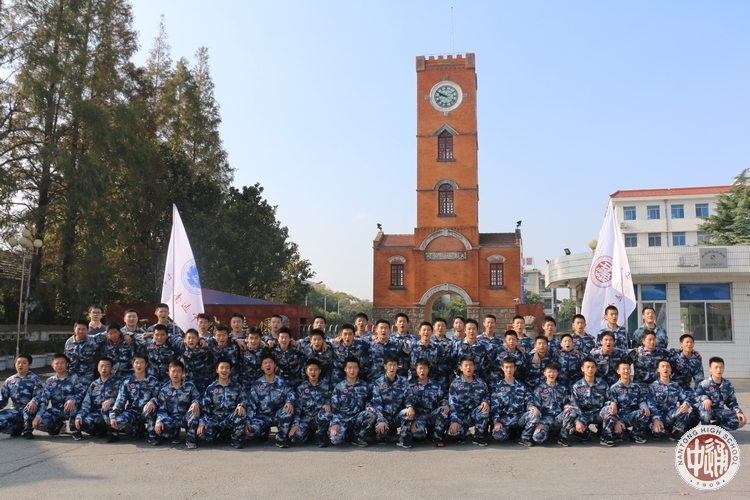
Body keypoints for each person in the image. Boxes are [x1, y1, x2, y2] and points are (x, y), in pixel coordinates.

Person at [246, 352, 296, 448]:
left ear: (275, 366)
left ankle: (281, 438)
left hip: (277, 415)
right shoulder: (257, 384)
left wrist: (289, 402)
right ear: (262, 367)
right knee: (250, 432)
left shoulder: (282, 382)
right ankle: (263, 432)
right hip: (262, 417)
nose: (268, 365)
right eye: (265, 363)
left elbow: (290, 393)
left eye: (270, 362)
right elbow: (251, 405)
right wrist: (247, 421)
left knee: (287, 411)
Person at [109, 353, 160, 442]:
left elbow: (159, 396)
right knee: (118, 421)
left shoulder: (153, 381)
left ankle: (152, 435)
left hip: (147, 412)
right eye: (137, 362)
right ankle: (136, 431)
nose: (139, 365)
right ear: (133, 364)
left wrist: (153, 401)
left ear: (146, 365)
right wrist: (113, 416)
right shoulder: (127, 382)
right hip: (132, 412)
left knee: (149, 409)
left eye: (142, 363)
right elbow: (120, 400)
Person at [198, 357, 247, 449]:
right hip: (216, 419)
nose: (224, 370)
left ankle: (236, 438)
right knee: (202, 433)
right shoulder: (211, 388)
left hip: (231, 418)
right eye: (222, 367)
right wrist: (202, 422)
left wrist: (241, 405)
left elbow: (244, 399)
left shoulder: (236, 386)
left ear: (230, 371)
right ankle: (220, 435)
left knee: (240, 413)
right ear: (217, 370)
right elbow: (205, 408)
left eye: (227, 368)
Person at [401, 358, 449, 448]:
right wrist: (412, 420)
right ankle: (421, 436)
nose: (422, 371)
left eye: (425, 368)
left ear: (428, 369)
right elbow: (408, 400)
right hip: (418, 417)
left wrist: (445, 405)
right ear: (416, 369)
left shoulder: (435, 385)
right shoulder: (411, 385)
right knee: (417, 433)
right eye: (420, 368)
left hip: (432, 414)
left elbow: (443, 398)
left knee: (443, 410)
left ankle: (437, 437)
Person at [153, 360, 201, 449]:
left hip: (186, 417)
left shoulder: (190, 386)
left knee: (195, 411)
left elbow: (197, 398)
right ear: (169, 372)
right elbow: (162, 408)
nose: (175, 374)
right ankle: (174, 435)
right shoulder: (164, 389)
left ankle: (190, 439)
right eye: (173, 371)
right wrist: (159, 421)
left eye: (178, 371)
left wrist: (195, 403)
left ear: (182, 373)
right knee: (162, 428)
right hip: (172, 418)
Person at [520, 362, 570, 447]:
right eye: (549, 372)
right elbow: (537, 408)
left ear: (557, 373)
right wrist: (539, 423)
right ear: (545, 373)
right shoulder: (539, 389)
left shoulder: (562, 388)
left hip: (558, 418)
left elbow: (565, 403)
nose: (552, 374)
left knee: (570, 411)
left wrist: (566, 406)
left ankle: (563, 437)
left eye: (554, 372)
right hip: (545, 420)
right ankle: (548, 434)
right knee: (538, 438)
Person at [601, 360, 651, 445]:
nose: (626, 371)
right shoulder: (614, 388)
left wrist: (644, 406)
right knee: (617, 431)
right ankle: (606, 436)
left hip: (630, 415)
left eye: (628, 369)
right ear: (618, 371)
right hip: (618, 416)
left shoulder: (636, 387)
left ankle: (635, 435)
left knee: (644, 412)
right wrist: (617, 421)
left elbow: (641, 400)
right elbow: (611, 406)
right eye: (623, 369)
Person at [33, 353, 84, 436]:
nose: (60, 365)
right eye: (57, 363)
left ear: (67, 364)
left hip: (71, 408)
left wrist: (73, 399)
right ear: (52, 365)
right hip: (56, 410)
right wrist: (38, 415)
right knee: (39, 423)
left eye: (62, 363)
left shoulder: (74, 377)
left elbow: (82, 392)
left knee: (72, 407)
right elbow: (44, 400)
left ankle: (76, 431)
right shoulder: (50, 381)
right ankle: (58, 427)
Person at [329, 357, 375, 447]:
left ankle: (358, 436)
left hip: (357, 418)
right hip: (343, 419)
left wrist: (369, 406)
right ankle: (348, 434)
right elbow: (335, 409)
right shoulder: (339, 387)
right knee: (335, 440)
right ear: (345, 369)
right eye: (349, 368)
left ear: (358, 369)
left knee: (371, 414)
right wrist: (335, 423)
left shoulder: (364, 386)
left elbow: (369, 400)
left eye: (355, 368)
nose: (352, 370)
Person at [693, 357, 746, 432]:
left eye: (721, 367)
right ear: (710, 369)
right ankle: (705, 430)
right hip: (704, 412)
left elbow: (732, 401)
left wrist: (738, 412)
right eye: (716, 367)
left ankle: (714, 429)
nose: (719, 370)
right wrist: (705, 399)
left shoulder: (728, 384)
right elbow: (695, 397)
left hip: (719, 412)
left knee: (740, 420)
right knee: (704, 406)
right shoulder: (704, 384)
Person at [564, 358, 609, 446]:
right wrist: (578, 421)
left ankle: (606, 436)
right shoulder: (577, 386)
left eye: (592, 367)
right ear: (582, 369)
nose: (590, 369)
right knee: (584, 436)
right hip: (583, 415)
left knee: (609, 409)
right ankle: (584, 433)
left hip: (598, 413)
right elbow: (575, 405)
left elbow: (609, 400)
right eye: (587, 367)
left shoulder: (603, 384)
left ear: (596, 369)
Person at [73, 357, 120, 441]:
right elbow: (86, 403)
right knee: (81, 423)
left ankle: (114, 433)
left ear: (111, 368)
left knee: (106, 409)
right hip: (97, 414)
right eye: (101, 366)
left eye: (107, 366)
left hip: (112, 413)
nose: (104, 368)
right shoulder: (94, 384)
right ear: (97, 368)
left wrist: (111, 400)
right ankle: (101, 430)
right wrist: (79, 416)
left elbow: (123, 398)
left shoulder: (118, 382)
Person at [447, 356, 490, 446]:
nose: (468, 368)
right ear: (461, 368)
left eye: (471, 365)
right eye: (466, 365)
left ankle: (478, 437)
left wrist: (485, 401)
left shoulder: (481, 383)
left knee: (484, 409)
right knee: (453, 433)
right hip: (460, 417)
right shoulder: (455, 384)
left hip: (473, 415)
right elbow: (453, 405)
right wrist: (454, 421)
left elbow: (486, 395)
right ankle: (463, 432)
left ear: (474, 367)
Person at [367, 355, 410, 446]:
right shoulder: (378, 382)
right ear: (385, 366)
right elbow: (377, 403)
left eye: (394, 365)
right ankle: (383, 435)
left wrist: (410, 407)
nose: (392, 368)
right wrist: (381, 419)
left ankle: (402, 439)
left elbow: (408, 398)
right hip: (384, 417)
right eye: (390, 365)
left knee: (408, 412)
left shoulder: (404, 382)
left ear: (398, 367)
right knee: (382, 432)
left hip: (397, 417)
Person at [289, 359, 332, 448]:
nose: (313, 372)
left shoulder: (326, 386)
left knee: (327, 413)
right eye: (310, 369)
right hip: (305, 418)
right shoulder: (301, 388)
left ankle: (319, 435)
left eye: (315, 369)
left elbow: (332, 401)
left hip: (318, 418)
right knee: (293, 437)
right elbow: (298, 407)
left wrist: (328, 405)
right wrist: (295, 424)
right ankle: (309, 435)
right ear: (306, 371)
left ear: (319, 371)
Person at [0, 353, 44, 438]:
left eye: (24, 363)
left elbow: (39, 394)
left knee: (28, 409)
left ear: (29, 365)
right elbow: (2, 398)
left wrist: (33, 402)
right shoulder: (10, 380)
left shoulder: (34, 379)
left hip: (30, 409)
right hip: (15, 410)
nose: (20, 365)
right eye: (18, 363)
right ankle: (17, 428)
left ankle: (27, 431)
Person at [490, 357, 532, 443]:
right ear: (502, 368)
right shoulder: (497, 387)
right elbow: (494, 407)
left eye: (511, 367)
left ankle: (524, 437)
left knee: (535, 414)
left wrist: (532, 407)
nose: (509, 370)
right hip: (504, 419)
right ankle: (510, 432)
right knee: (497, 435)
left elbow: (529, 399)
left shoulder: (521, 385)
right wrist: (497, 422)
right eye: (506, 367)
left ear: (515, 368)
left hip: (519, 418)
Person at [648, 359, 692, 441]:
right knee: (658, 433)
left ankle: (676, 432)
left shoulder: (676, 386)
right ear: (658, 369)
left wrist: (685, 404)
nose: (665, 368)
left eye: (667, 366)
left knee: (684, 410)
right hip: (658, 416)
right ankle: (656, 428)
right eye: (663, 366)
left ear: (671, 369)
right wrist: (656, 419)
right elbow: (651, 405)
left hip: (671, 415)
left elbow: (685, 398)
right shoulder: (653, 386)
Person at [65, 319, 106, 385]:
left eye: (83, 329)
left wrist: (123, 334)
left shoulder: (93, 340)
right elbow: (65, 360)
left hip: (87, 378)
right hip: (71, 377)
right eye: (79, 329)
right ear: (74, 329)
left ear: (88, 330)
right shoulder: (68, 342)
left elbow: (110, 332)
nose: (81, 331)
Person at [408, 322, 445, 387]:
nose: (426, 332)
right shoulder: (413, 346)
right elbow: (409, 365)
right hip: (416, 381)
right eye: (424, 330)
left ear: (432, 332)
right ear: (419, 332)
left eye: (428, 330)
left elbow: (441, 365)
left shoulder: (437, 347)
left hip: (433, 381)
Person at [177, 328, 213, 396]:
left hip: (203, 380)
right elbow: (172, 338)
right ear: (185, 339)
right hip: (189, 379)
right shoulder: (182, 347)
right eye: (189, 338)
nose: (191, 340)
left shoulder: (204, 347)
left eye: (193, 338)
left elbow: (213, 340)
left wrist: (202, 338)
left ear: (197, 339)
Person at [390, 313, 415, 377]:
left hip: (409, 372)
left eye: (404, 321)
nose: (402, 323)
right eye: (400, 321)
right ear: (396, 323)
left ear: (407, 323)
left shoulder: (413, 338)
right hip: (395, 372)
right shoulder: (390, 339)